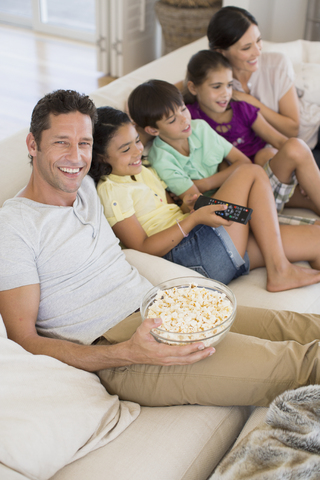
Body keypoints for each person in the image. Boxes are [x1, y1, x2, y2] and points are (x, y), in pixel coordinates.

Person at [1, 89, 320, 410]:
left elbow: (141, 142)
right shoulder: (15, 225)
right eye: (61, 142)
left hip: (164, 306)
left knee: (293, 324)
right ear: (32, 144)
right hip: (121, 346)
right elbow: (23, 338)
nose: (75, 156)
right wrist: (123, 353)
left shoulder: (86, 185)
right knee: (299, 363)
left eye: (83, 143)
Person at [107, 88, 320, 292]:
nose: (137, 150)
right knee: (251, 172)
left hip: (205, 241)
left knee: (316, 239)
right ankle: (279, 270)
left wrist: (187, 207)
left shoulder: (143, 169)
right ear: (101, 157)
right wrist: (192, 219)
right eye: (126, 149)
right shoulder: (111, 189)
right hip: (194, 254)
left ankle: (272, 248)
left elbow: (175, 209)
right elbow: (142, 249)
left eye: (137, 141)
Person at [185, 49, 320, 218]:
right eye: (216, 86)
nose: (225, 93)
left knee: (273, 152)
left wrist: (302, 175)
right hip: (236, 186)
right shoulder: (188, 117)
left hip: (271, 176)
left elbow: (280, 141)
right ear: (192, 87)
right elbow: (162, 102)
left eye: (229, 85)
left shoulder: (242, 109)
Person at [207, 5, 320, 168]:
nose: (258, 52)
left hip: (313, 130)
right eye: (246, 47)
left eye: (258, 40)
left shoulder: (277, 64)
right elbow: (185, 86)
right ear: (221, 52)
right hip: (286, 153)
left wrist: (250, 100)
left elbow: (292, 129)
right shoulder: (217, 84)